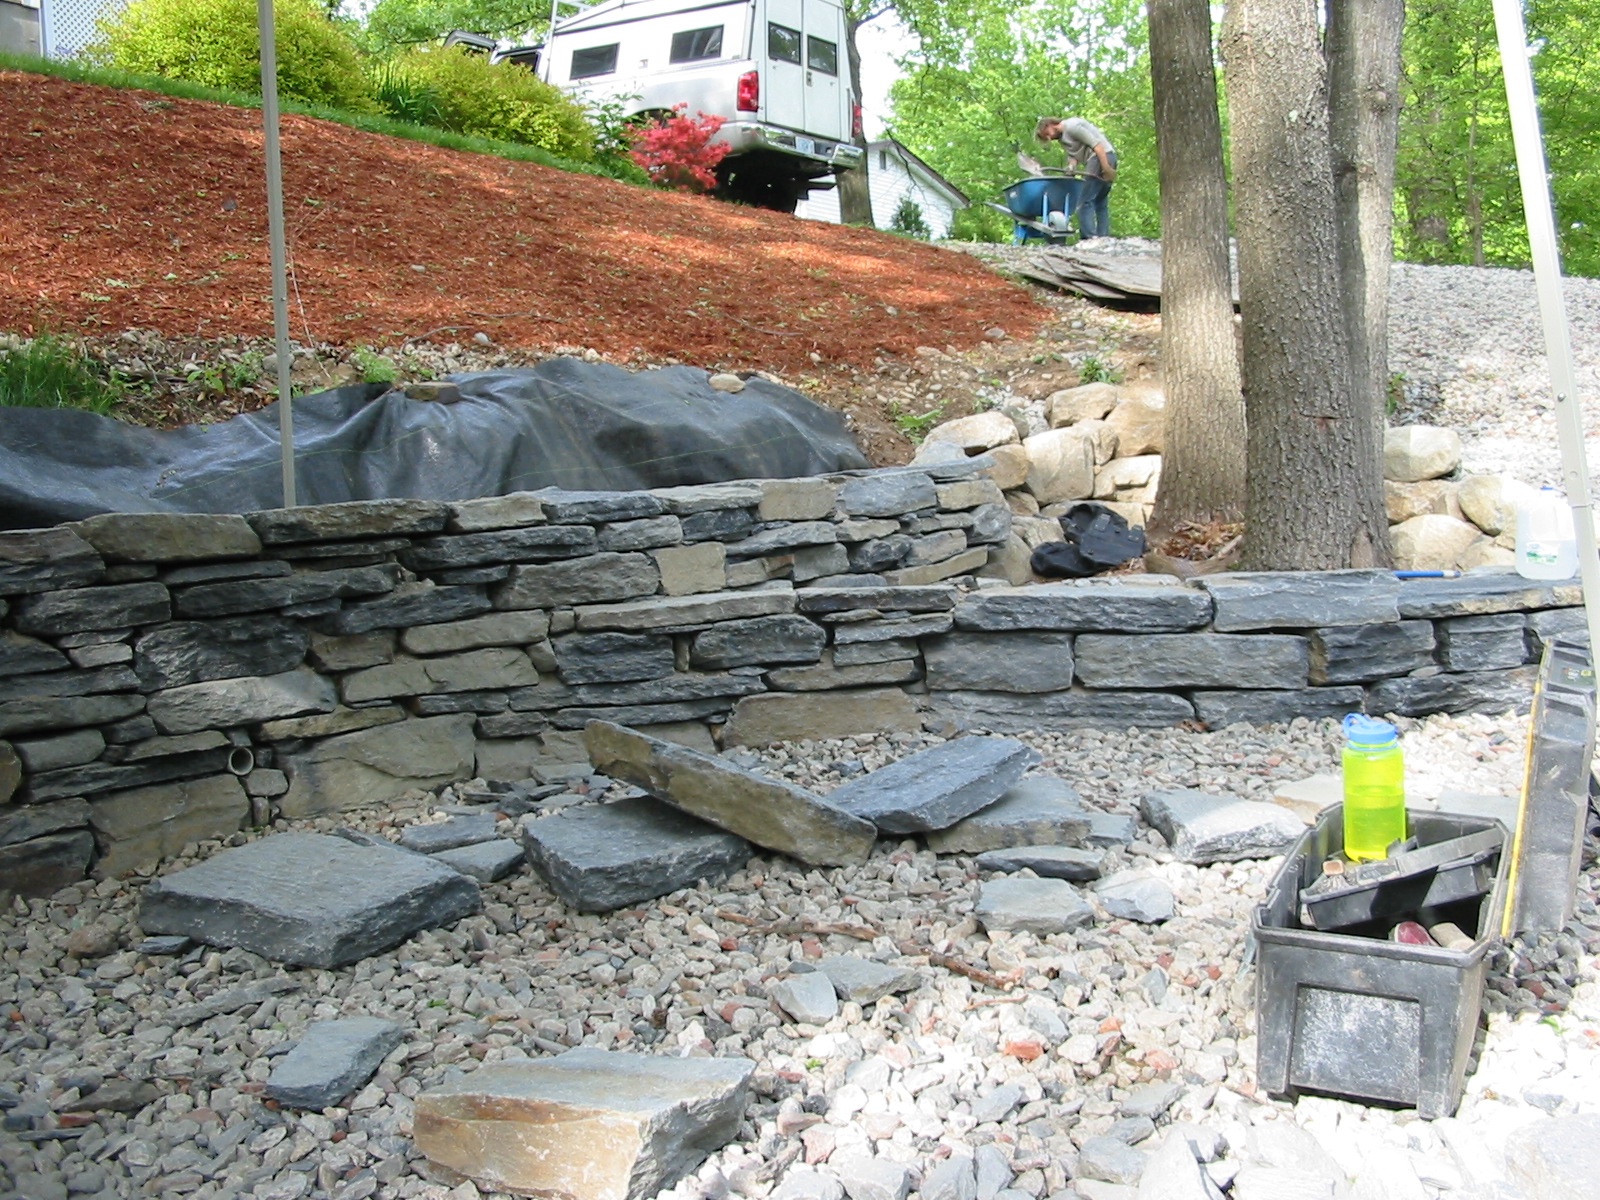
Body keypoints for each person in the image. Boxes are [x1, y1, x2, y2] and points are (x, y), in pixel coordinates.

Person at [1035, 116, 1117, 239]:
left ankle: (1089, 238)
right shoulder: (1062, 138)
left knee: (1084, 201)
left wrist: (1106, 168)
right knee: (1100, 201)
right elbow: (1074, 155)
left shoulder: (1072, 127)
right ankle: (1103, 237)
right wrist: (1071, 167)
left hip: (1102, 157)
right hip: (1104, 157)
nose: (1049, 138)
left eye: (1047, 134)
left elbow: (1097, 146)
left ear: (1050, 125)